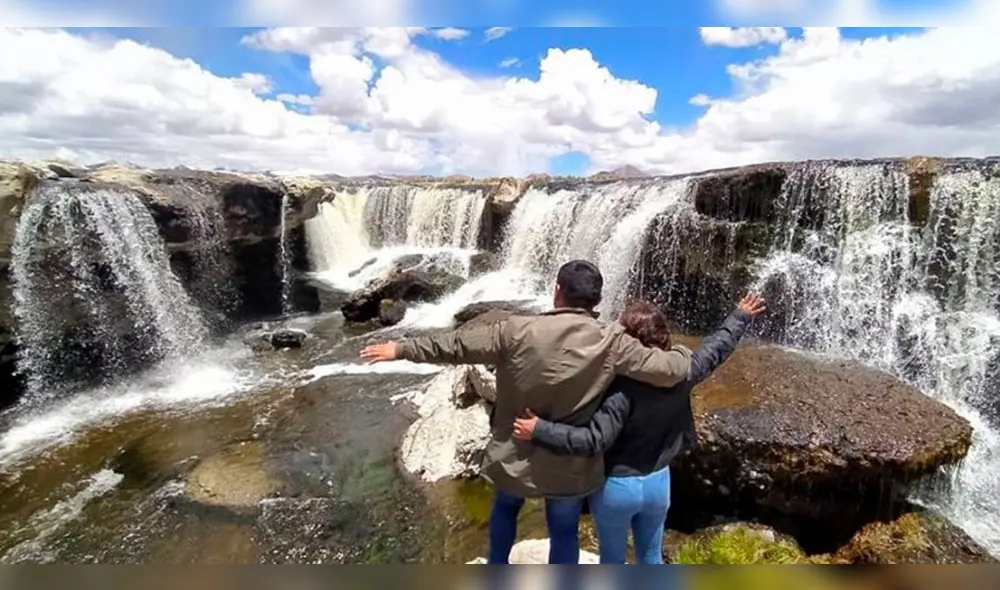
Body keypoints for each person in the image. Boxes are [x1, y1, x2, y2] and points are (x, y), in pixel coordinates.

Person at [359, 260, 695, 564]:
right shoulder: (613, 342)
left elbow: (456, 346)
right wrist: (681, 349)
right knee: (563, 530)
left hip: (515, 451)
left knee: (505, 509)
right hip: (568, 463)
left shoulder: (515, 330)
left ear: (557, 291)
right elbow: (670, 369)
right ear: (597, 301)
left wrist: (401, 348)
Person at [511, 293, 766, 564]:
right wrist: (741, 316)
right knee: (651, 557)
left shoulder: (619, 388)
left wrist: (539, 429)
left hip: (617, 488)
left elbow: (593, 440)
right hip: (658, 482)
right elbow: (716, 349)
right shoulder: (683, 372)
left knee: (613, 560)